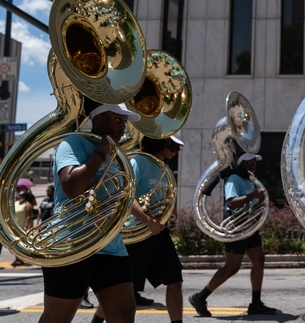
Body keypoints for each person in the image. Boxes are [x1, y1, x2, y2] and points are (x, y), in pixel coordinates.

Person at [40, 98, 141, 323]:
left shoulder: (117, 153)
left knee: (124, 314)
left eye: (124, 121)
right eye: (117, 119)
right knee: (58, 318)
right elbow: (71, 187)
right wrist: (101, 152)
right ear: (98, 118)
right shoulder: (74, 143)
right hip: (72, 243)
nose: (123, 125)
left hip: (110, 245)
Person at [93, 135, 185, 323]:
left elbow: (167, 196)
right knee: (119, 290)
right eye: (174, 145)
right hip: (136, 236)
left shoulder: (164, 168)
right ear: (161, 142)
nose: (177, 151)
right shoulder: (139, 162)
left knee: (175, 280)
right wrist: (148, 220)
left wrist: (170, 214)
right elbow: (126, 195)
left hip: (158, 235)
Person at [189, 152, 279, 317]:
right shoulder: (233, 179)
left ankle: (256, 303)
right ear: (240, 163)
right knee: (231, 268)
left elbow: (252, 201)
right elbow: (231, 202)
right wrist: (254, 195)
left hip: (249, 225)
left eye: (254, 162)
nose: (252, 164)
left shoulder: (249, 180)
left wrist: (259, 200)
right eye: (249, 161)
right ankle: (199, 297)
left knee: (259, 261)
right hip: (236, 225)